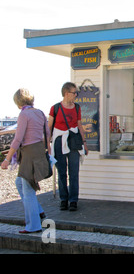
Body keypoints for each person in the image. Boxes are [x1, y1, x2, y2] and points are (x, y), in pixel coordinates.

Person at [1, 88, 50, 233]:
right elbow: (47, 134)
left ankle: (33, 225)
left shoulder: (24, 114)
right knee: (20, 183)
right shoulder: (40, 113)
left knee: (28, 190)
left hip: (28, 153)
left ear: (18, 101)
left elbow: (18, 139)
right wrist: (49, 152)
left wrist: (7, 159)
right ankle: (39, 211)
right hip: (39, 151)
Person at [48, 82, 88, 211]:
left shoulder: (77, 107)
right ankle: (63, 199)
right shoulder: (55, 108)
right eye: (74, 93)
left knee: (74, 171)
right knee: (61, 171)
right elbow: (49, 128)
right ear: (66, 94)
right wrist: (47, 145)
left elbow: (79, 125)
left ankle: (73, 200)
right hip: (59, 140)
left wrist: (84, 143)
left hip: (73, 140)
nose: (76, 95)